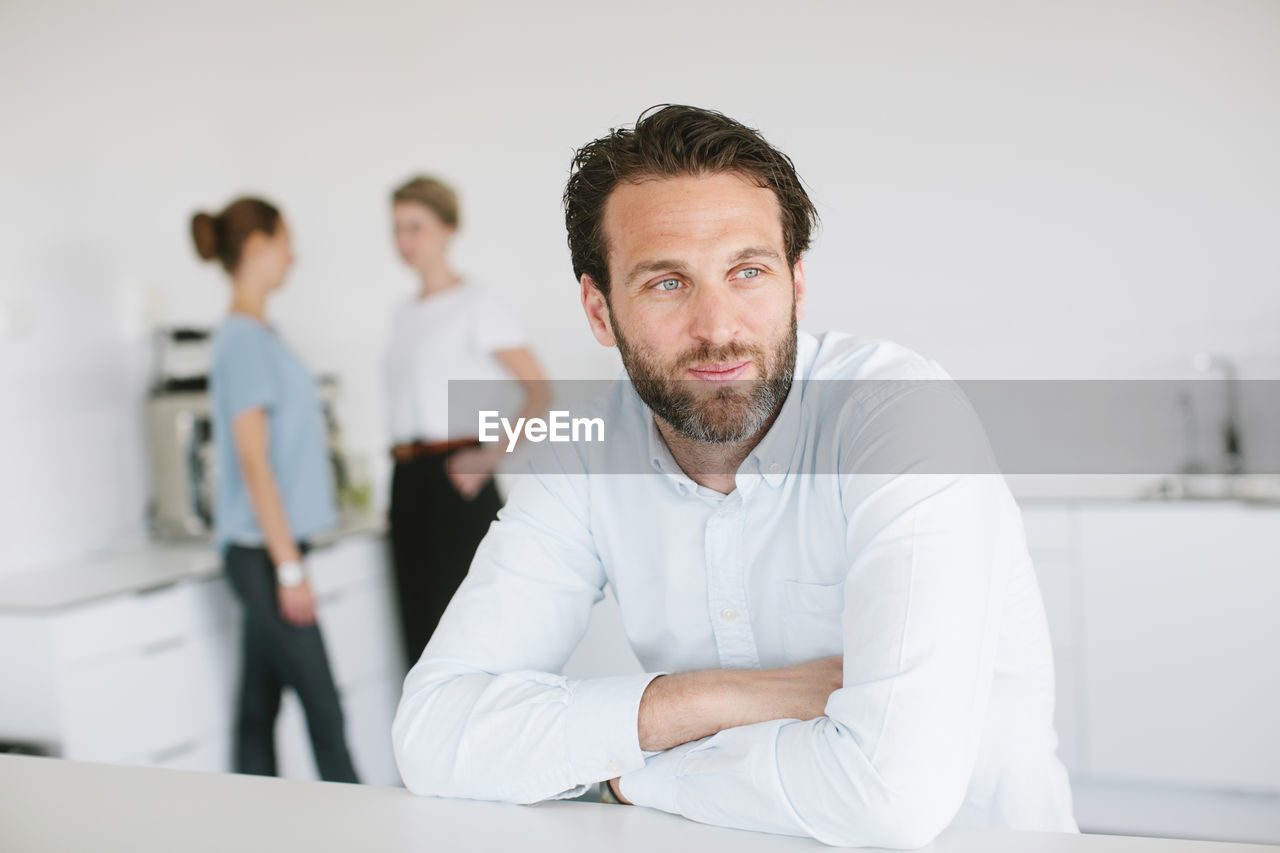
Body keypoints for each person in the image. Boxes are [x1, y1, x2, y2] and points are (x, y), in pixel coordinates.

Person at [391, 107, 1076, 847]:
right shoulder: (586, 455)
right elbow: (433, 733)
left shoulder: (902, 417)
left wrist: (632, 777)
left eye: (748, 272)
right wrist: (730, 696)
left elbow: (890, 796)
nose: (717, 326)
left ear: (797, 284)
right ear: (599, 307)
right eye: (666, 283)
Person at [194, 197, 359, 783]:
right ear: (258, 246)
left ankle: (249, 826)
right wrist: (289, 568)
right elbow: (253, 461)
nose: (294, 255)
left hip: (268, 549)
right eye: (285, 241)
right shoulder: (241, 339)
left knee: (256, 711)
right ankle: (364, 832)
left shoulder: (260, 333)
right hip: (263, 555)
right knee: (324, 709)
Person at [384, 176, 550, 670]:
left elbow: (539, 392)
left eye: (416, 227)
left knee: (467, 638)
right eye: (396, 228)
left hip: (456, 480)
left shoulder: (477, 305)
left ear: (447, 228)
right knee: (417, 636)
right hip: (407, 480)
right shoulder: (403, 314)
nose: (405, 241)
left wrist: (488, 456)